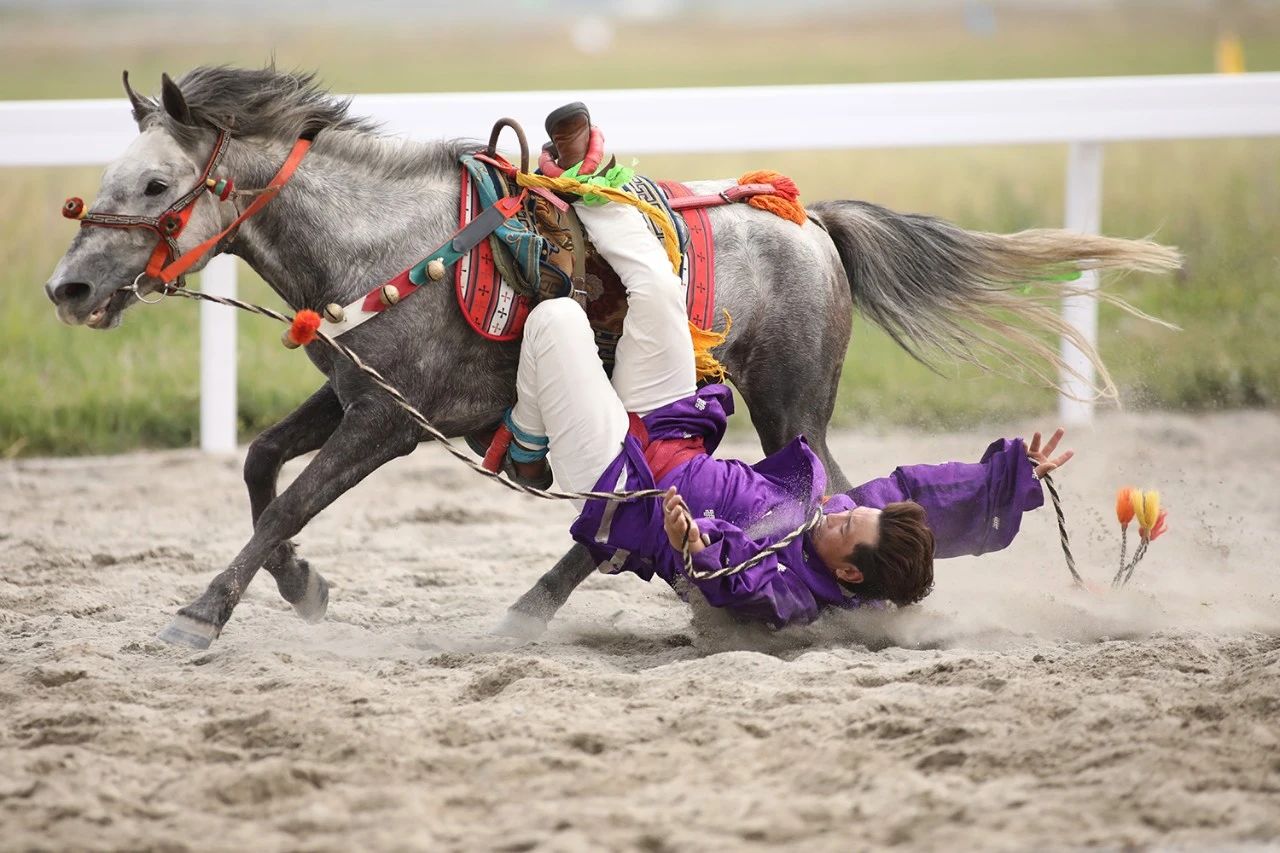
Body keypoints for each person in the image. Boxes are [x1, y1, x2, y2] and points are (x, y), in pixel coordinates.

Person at [499, 103, 1074, 629]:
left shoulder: (790, 588)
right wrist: (1010, 477)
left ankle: (526, 441)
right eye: (852, 515)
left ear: (848, 573)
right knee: (659, 290)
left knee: (557, 320)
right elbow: (918, 490)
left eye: (846, 527)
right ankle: (590, 181)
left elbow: (738, 585)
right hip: (674, 431)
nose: (838, 514)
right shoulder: (841, 523)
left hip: (626, 484)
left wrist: (696, 545)